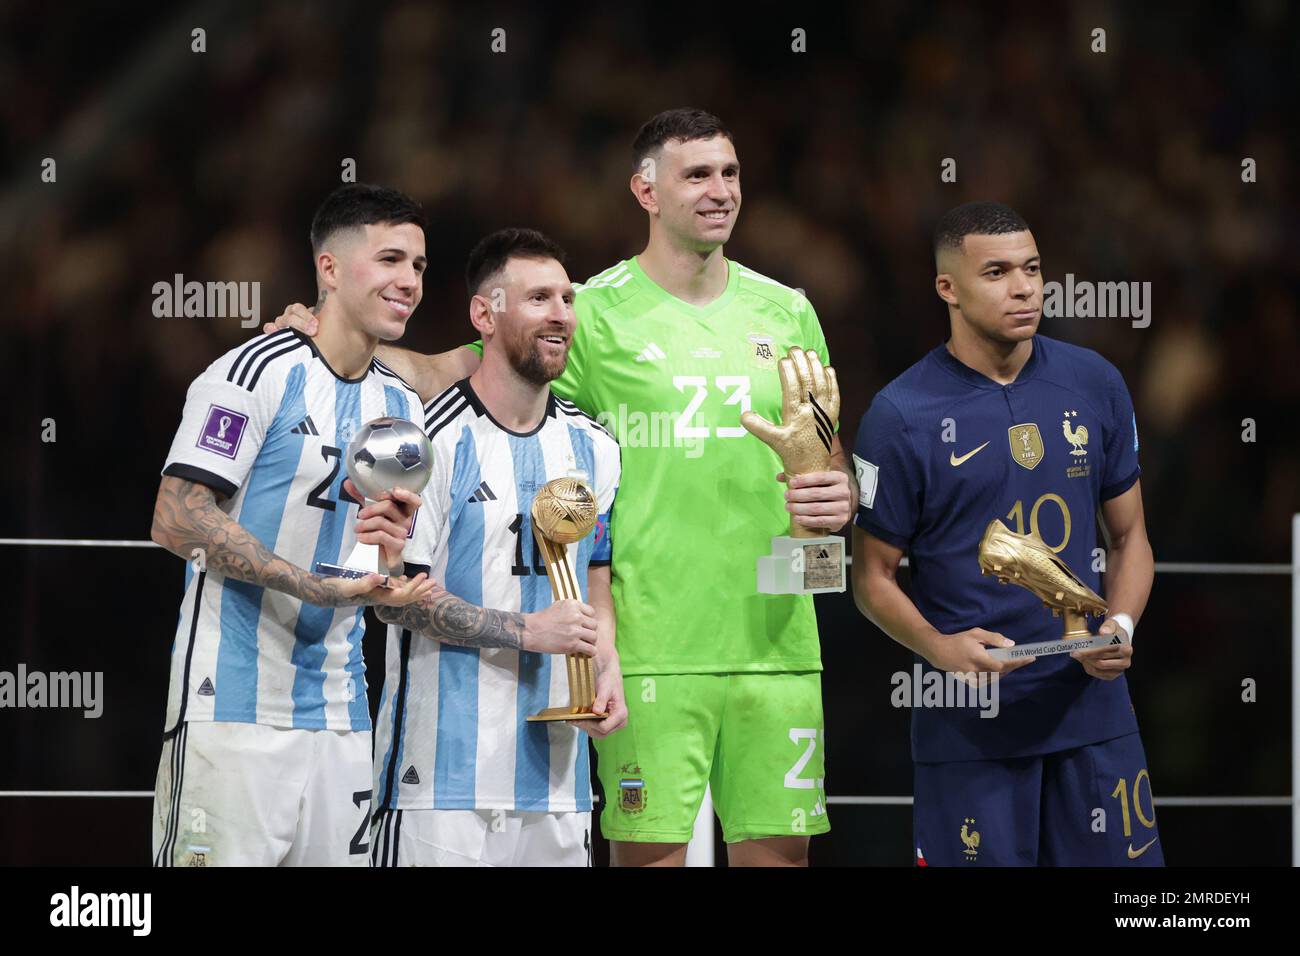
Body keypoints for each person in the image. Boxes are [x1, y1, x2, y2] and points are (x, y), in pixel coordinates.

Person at [268, 108, 855, 866]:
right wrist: (326, 336)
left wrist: (837, 493)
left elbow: (828, 456)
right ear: (644, 191)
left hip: (777, 641)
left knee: (781, 859)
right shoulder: (592, 310)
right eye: (698, 175)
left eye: (731, 173)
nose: (721, 191)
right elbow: (460, 369)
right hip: (647, 645)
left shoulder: (789, 310)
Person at [851, 200, 1161, 866]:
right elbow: (870, 578)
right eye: (996, 272)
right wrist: (939, 649)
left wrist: (1123, 625)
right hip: (970, 733)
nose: (1023, 288)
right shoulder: (899, 415)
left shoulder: (1095, 383)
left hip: (1095, 718)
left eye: (1032, 269)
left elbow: (1131, 539)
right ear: (947, 288)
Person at [149, 184, 438, 866]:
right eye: (391, 259)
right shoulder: (258, 369)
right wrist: (308, 585)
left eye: (420, 266)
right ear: (330, 270)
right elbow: (175, 517)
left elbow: (383, 563)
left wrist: (393, 578)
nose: (409, 281)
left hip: (341, 716)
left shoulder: (401, 407)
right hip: (232, 709)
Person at [367, 228, 626, 866]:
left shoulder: (596, 446)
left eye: (567, 299)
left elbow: (595, 570)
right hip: (439, 781)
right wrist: (527, 631)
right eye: (539, 298)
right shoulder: (425, 441)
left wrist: (605, 663)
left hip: (559, 780)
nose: (561, 314)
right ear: (485, 313)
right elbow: (393, 601)